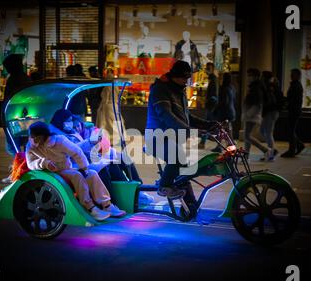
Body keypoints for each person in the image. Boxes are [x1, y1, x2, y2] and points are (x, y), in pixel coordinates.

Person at [25, 121, 126, 221]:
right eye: (32, 137)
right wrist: (45, 163)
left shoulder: (59, 140)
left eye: (37, 138)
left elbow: (76, 152)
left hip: (66, 168)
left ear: (44, 135)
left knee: (92, 174)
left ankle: (106, 204)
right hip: (51, 173)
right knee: (76, 175)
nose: (34, 140)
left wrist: (85, 168)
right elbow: (31, 163)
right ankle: (90, 207)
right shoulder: (30, 147)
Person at [49, 110, 154, 204]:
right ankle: (122, 196)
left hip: (89, 157)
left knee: (124, 158)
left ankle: (138, 189)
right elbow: (73, 150)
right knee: (111, 165)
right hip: (77, 164)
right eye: (69, 121)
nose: (71, 124)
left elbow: (84, 137)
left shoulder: (71, 130)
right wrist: (90, 141)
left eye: (72, 120)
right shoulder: (57, 137)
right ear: (60, 121)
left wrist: (92, 134)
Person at [145, 60, 215, 198]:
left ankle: (189, 208)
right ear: (175, 76)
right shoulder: (160, 89)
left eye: (188, 78)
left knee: (184, 171)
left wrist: (209, 125)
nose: (186, 81)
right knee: (176, 157)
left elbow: (187, 117)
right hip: (157, 137)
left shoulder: (179, 90)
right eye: (184, 78)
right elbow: (167, 116)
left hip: (172, 138)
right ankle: (164, 187)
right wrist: (189, 131)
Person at [2, 54, 31, 183]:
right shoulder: (25, 78)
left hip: (15, 118)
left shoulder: (14, 79)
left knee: (14, 147)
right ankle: (20, 170)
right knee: (21, 146)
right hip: (24, 117)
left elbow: (10, 99)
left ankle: (19, 172)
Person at [242, 68, 272, 160]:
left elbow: (257, 104)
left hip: (252, 115)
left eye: (250, 75)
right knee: (247, 136)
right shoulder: (254, 86)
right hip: (251, 114)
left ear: (255, 76)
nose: (248, 77)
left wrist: (248, 114)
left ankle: (265, 150)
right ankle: (246, 155)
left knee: (247, 136)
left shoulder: (256, 87)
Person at [96, 68, 127, 145]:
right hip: (114, 105)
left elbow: (105, 97)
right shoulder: (116, 86)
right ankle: (119, 137)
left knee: (108, 123)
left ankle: (111, 139)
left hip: (108, 106)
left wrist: (101, 107)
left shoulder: (108, 86)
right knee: (115, 122)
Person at [281, 68, 305, 158]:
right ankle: (297, 145)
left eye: (293, 74)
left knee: (290, 130)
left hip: (294, 110)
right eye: (291, 74)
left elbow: (293, 99)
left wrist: (286, 102)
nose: (291, 76)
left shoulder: (296, 86)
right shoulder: (295, 85)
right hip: (293, 110)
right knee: (290, 130)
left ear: (298, 76)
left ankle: (292, 149)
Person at [260, 71, 282, 161]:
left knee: (268, 133)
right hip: (271, 112)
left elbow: (269, 101)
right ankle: (271, 150)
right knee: (263, 131)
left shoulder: (270, 87)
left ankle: (271, 154)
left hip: (271, 112)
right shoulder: (271, 86)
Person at [199, 62, 220, 150]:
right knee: (210, 125)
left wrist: (208, 101)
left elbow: (214, 95)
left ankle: (203, 142)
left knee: (208, 125)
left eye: (209, 68)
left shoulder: (213, 80)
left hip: (211, 107)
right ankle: (204, 142)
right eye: (206, 68)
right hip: (211, 106)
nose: (207, 70)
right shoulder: (212, 79)